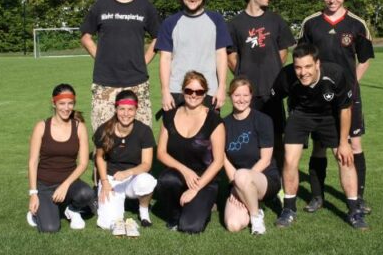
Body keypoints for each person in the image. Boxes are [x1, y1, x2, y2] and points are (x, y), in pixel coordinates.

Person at [298, 0, 374, 214]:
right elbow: (302, 58)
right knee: (320, 145)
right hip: (318, 96)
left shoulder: (357, 24)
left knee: (354, 144)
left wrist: (351, 84)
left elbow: (364, 59)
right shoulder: (311, 23)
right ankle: (317, 197)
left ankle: (357, 197)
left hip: (348, 96)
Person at [273, 44, 368, 230]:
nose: (302, 72)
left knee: (345, 159)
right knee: (290, 160)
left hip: (329, 117)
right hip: (299, 115)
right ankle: (289, 209)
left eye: (308, 66)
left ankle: (354, 211)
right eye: (298, 67)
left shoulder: (335, 74)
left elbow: (345, 109)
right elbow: (273, 100)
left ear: (317, 64)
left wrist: (344, 143)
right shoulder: (286, 75)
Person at [80, 0, 160, 131]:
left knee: (141, 135)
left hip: (137, 82)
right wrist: (99, 57)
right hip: (105, 83)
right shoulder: (101, 5)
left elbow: (158, 38)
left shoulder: (145, 7)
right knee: (103, 136)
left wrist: (143, 61)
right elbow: (86, 36)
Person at [227, 0, 296, 173]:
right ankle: (245, 177)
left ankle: (279, 181)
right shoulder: (234, 24)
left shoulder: (276, 21)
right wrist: (245, 76)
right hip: (246, 93)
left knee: (275, 136)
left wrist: (270, 72)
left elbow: (283, 52)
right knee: (246, 137)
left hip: (272, 91)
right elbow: (231, 57)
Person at [156, 71, 225, 233]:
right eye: (189, 91)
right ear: (182, 91)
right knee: (166, 180)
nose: (193, 95)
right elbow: (161, 153)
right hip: (178, 176)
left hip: (205, 180)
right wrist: (185, 170)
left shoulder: (214, 120)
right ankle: (174, 216)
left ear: (205, 93)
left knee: (190, 227)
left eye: (199, 92)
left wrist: (195, 188)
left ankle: (200, 206)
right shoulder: (170, 115)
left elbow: (218, 161)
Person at [155, 0, 232, 112]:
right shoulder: (169, 23)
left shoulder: (216, 20)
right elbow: (165, 59)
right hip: (177, 91)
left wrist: (221, 88)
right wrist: (165, 91)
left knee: (209, 134)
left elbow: (221, 55)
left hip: (209, 91)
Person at [27, 84, 95, 232]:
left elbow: (83, 163)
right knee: (50, 228)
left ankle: (72, 209)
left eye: (70, 103)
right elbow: (32, 162)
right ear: (54, 103)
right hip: (45, 185)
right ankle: (37, 212)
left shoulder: (79, 127)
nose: (66, 108)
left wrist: (65, 185)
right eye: (62, 103)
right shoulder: (41, 126)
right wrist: (33, 194)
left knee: (87, 193)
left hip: (69, 184)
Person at [94, 90, 157, 237]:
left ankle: (143, 211)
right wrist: (104, 182)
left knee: (147, 181)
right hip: (111, 179)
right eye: (122, 109)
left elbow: (146, 164)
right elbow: (99, 158)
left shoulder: (144, 131)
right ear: (116, 109)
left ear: (136, 110)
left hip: (133, 178)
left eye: (130, 109)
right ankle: (111, 204)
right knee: (107, 223)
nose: (126, 114)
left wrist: (128, 172)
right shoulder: (104, 130)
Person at [223, 77, 281, 235]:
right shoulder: (224, 124)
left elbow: (266, 159)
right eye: (236, 95)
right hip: (238, 181)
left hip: (265, 179)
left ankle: (256, 218)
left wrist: (242, 180)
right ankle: (254, 207)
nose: (241, 99)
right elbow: (223, 158)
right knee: (233, 225)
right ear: (230, 96)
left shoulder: (263, 120)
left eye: (245, 95)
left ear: (251, 96)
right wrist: (235, 186)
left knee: (242, 174)